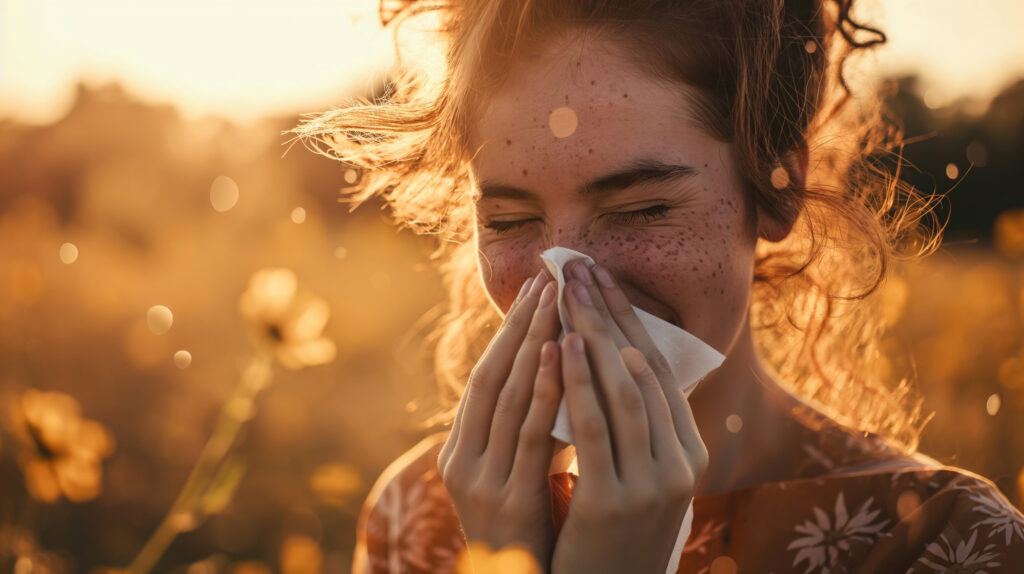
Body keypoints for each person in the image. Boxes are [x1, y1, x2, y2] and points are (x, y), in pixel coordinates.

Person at [290, 0, 1024, 572]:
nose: (570, 277)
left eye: (642, 208)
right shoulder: (420, 515)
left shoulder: (941, 544)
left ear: (777, 185)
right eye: (511, 221)